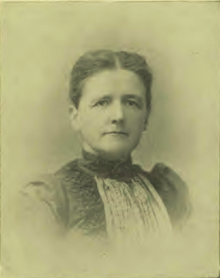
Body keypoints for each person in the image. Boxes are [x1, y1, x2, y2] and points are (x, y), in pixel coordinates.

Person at [17, 50, 191, 265]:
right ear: (75, 116)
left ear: (145, 118)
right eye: (102, 102)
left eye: (131, 103)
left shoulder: (170, 192)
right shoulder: (49, 199)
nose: (118, 116)